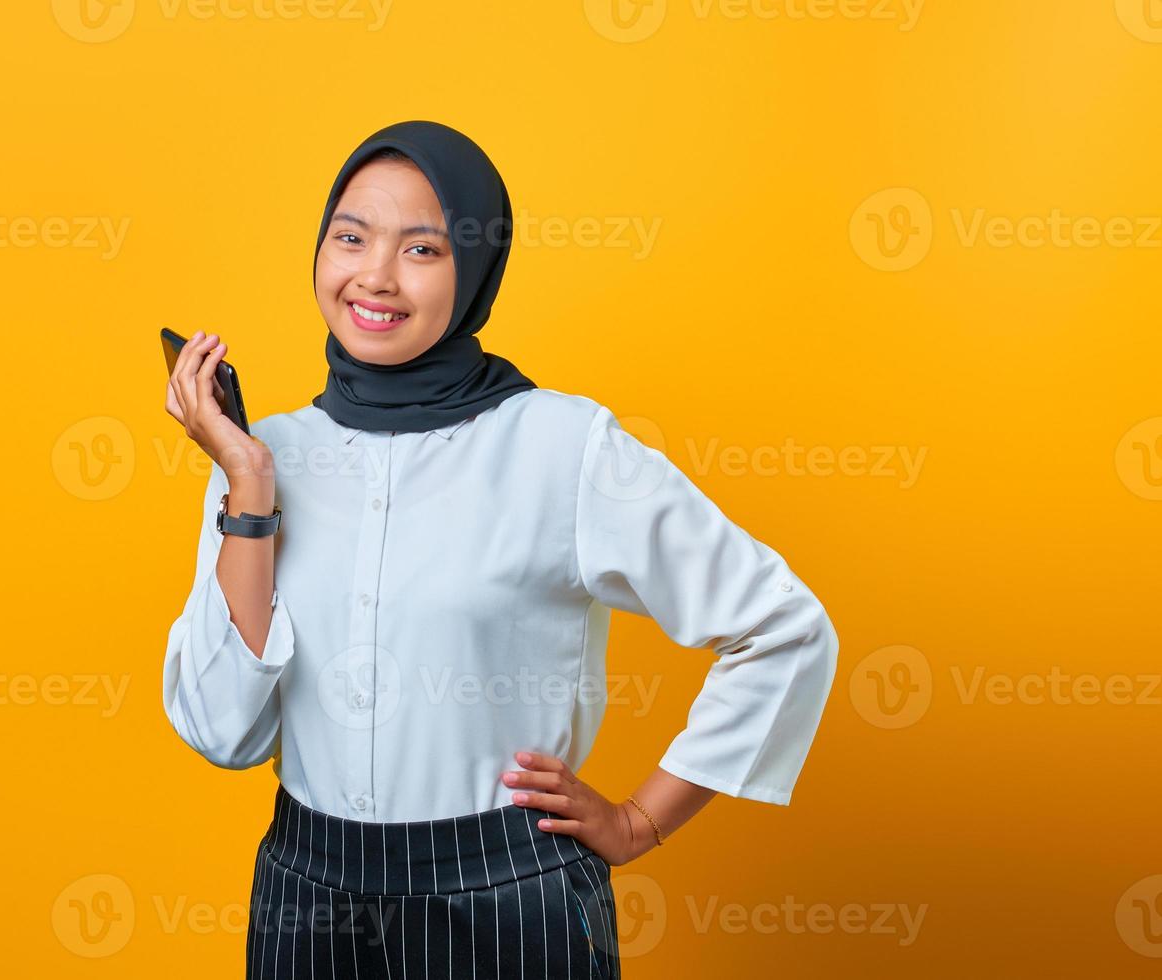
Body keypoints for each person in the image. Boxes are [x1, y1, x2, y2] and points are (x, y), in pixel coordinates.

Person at [162, 119, 839, 979]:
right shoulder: (261, 456)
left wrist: (641, 820)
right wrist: (247, 488)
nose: (374, 275)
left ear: (474, 272)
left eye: (422, 249)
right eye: (350, 236)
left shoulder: (562, 446)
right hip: (307, 897)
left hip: (506, 897)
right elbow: (224, 733)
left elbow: (783, 627)